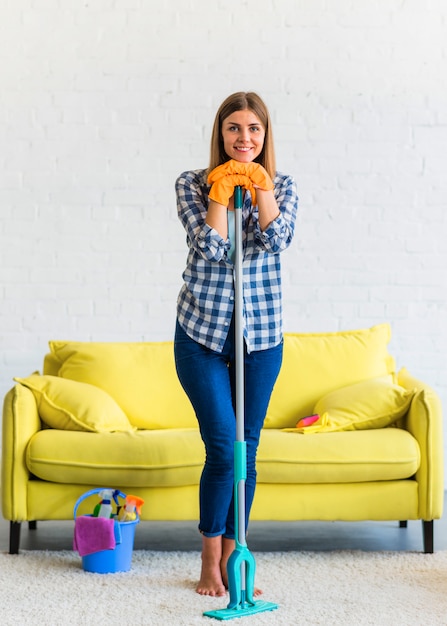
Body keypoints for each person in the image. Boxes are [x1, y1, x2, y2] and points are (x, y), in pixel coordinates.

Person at [174, 92, 298, 597]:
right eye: (233, 129)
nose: (243, 138)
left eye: (254, 130)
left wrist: (260, 186)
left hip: (262, 339)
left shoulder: (283, 185)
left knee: (247, 452)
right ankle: (208, 558)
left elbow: (278, 239)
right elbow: (212, 246)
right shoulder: (191, 185)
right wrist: (221, 192)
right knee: (224, 448)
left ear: (265, 137)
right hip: (202, 335)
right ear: (219, 133)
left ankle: (234, 558)